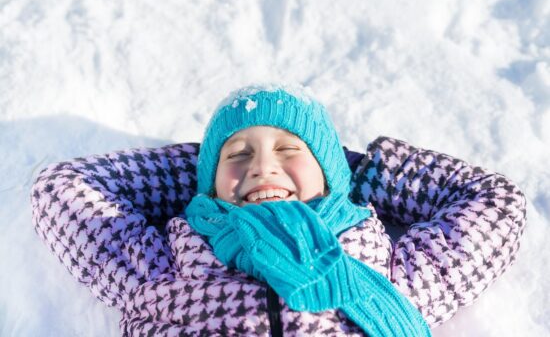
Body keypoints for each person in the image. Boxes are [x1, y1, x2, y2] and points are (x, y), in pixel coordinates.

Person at [31, 84, 526, 336]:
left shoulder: (386, 271)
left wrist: (363, 170)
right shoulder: (168, 266)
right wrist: (202, 176)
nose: (263, 168)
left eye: (290, 151)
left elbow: (495, 204)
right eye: (239, 153)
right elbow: (64, 190)